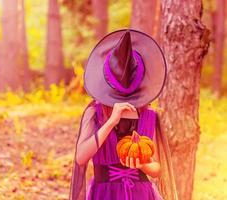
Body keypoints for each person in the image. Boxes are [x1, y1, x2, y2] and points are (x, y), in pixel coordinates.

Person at [69, 29, 178, 200]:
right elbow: (81, 157)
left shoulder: (148, 115)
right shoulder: (95, 112)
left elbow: (156, 168)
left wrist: (142, 165)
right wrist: (111, 122)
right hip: (105, 194)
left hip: (141, 194)